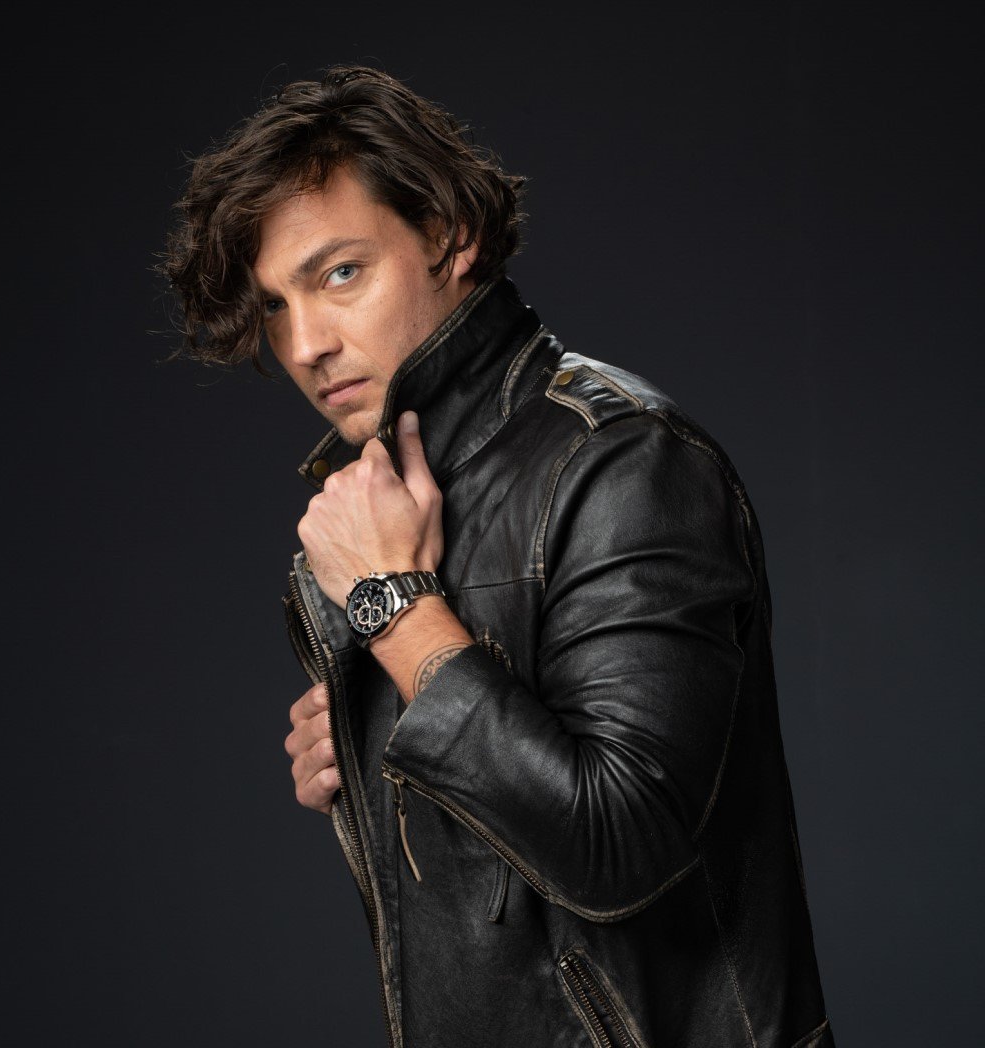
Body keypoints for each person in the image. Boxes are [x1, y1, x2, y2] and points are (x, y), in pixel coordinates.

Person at [160, 65, 834, 1048]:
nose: (304, 345)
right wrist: (366, 732)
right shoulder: (385, 496)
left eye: (339, 273)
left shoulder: (621, 461)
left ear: (449, 234)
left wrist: (391, 604)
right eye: (274, 305)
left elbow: (619, 846)